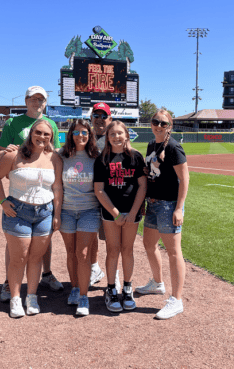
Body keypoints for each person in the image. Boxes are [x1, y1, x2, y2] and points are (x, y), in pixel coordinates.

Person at [0, 86, 63, 302]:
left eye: (41, 99)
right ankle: (9, 282)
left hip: (43, 193)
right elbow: (0, 153)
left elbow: (55, 153)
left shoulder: (51, 124)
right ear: (26, 101)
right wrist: (10, 158)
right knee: (17, 241)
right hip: (20, 189)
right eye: (33, 99)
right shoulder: (13, 123)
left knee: (43, 238)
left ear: (45, 102)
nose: (37, 102)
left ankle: (46, 273)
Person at [136, 110, 189, 320]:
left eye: (163, 123)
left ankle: (176, 300)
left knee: (174, 252)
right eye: (155, 121)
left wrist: (179, 208)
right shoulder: (152, 145)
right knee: (149, 244)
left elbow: (185, 180)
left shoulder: (174, 147)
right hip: (153, 203)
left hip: (169, 205)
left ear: (170, 125)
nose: (159, 125)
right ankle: (157, 284)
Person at [94, 121, 147, 312]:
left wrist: (133, 212)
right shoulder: (102, 159)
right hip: (111, 213)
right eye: (112, 134)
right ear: (107, 138)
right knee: (113, 250)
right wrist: (115, 213)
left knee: (127, 250)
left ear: (126, 135)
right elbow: (99, 190)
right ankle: (110, 289)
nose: (116, 137)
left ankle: (127, 287)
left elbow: (142, 185)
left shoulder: (135, 157)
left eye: (119, 133)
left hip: (132, 211)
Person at [58, 119, 100, 316]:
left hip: (89, 210)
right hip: (67, 210)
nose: (80, 136)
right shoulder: (62, 155)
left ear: (90, 134)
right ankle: (74, 288)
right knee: (71, 252)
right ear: (70, 135)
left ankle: (84, 296)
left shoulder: (96, 156)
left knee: (82, 254)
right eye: (76, 133)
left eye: (84, 132)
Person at [88, 102, 121, 289]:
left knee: (111, 239)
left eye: (104, 116)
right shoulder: (85, 137)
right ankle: (94, 268)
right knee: (90, 234)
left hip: (110, 197)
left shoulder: (114, 139)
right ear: (91, 118)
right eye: (96, 115)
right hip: (89, 197)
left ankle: (113, 274)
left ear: (110, 119)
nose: (100, 119)